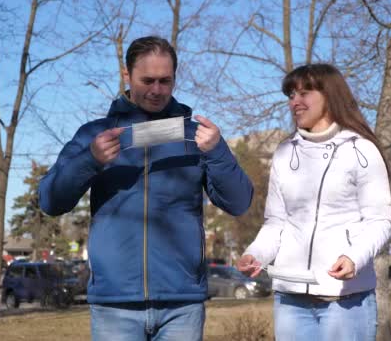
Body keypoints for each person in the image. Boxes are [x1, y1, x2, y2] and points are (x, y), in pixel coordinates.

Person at [39, 36, 253, 341]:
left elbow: (240, 202)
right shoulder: (95, 134)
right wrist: (90, 160)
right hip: (115, 303)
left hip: (182, 303)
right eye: (147, 80)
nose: (156, 90)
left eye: (165, 81)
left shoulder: (196, 136)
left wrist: (218, 152)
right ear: (126, 76)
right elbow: (49, 200)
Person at [237, 63, 391, 340]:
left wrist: (353, 257)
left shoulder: (362, 150)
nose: (295, 101)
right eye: (291, 95)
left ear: (330, 96)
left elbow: (380, 222)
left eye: (304, 93)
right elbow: (276, 222)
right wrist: (256, 254)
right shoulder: (285, 153)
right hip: (290, 298)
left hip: (345, 300)